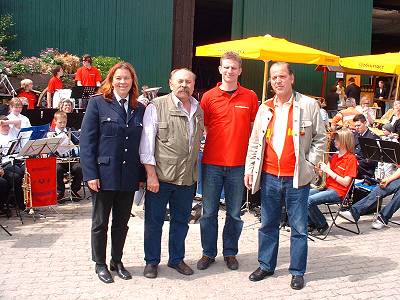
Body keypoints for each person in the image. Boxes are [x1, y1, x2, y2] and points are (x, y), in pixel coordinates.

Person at [244, 62, 325, 290]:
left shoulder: (308, 105)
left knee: (298, 227)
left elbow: (320, 138)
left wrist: (310, 165)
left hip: (297, 178)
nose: (277, 81)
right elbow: (254, 142)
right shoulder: (265, 108)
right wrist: (250, 169)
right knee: (268, 224)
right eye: (273, 78)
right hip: (269, 176)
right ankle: (266, 265)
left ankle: (297, 271)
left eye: (282, 76)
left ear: (292, 78)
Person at [80, 62, 145, 284]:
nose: (122, 82)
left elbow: (141, 145)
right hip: (103, 174)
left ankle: (116, 261)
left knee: (121, 223)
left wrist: (142, 177)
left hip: (128, 175)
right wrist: (90, 175)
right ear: (111, 80)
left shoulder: (139, 107)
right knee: (100, 222)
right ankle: (100, 264)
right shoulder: (98, 103)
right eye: (118, 78)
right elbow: (87, 143)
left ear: (132, 81)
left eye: (127, 78)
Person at [197, 51, 259, 272]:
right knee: (208, 213)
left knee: (234, 214)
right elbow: (203, 128)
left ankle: (230, 252)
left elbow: (255, 130)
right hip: (212, 164)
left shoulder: (250, 97)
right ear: (220, 69)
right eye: (226, 67)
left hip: (238, 166)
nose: (230, 71)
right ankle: (208, 253)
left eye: (234, 68)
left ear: (240, 70)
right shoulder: (208, 97)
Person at [139, 68, 204, 279]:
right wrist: (151, 175)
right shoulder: (156, 107)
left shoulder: (198, 109)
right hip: (161, 178)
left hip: (187, 179)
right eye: (180, 81)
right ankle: (151, 262)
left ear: (193, 85)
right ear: (170, 84)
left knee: (180, 222)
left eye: (188, 82)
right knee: (154, 222)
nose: (184, 85)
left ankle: (176, 259)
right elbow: (147, 145)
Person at [308, 129, 358, 234]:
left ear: (344, 141)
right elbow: (327, 175)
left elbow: (346, 182)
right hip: (328, 187)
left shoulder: (351, 159)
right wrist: (321, 171)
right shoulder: (335, 156)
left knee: (309, 201)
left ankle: (321, 224)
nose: (334, 141)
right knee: (302, 195)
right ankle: (311, 223)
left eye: (337, 139)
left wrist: (328, 171)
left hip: (339, 192)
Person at [48, 111, 82, 202]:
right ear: (55, 121)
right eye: (60, 122)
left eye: (64, 122)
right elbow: (47, 150)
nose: (63, 125)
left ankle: (74, 191)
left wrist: (80, 135)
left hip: (71, 159)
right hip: (58, 161)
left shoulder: (70, 131)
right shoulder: (51, 133)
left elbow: (78, 141)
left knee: (80, 168)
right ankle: (60, 192)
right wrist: (49, 139)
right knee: (57, 170)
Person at [353, 114, 380, 179]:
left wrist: (356, 162)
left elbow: (372, 160)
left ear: (365, 123)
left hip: (366, 168)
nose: (357, 128)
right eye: (355, 126)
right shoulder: (356, 134)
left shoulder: (372, 137)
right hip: (355, 162)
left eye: (359, 125)